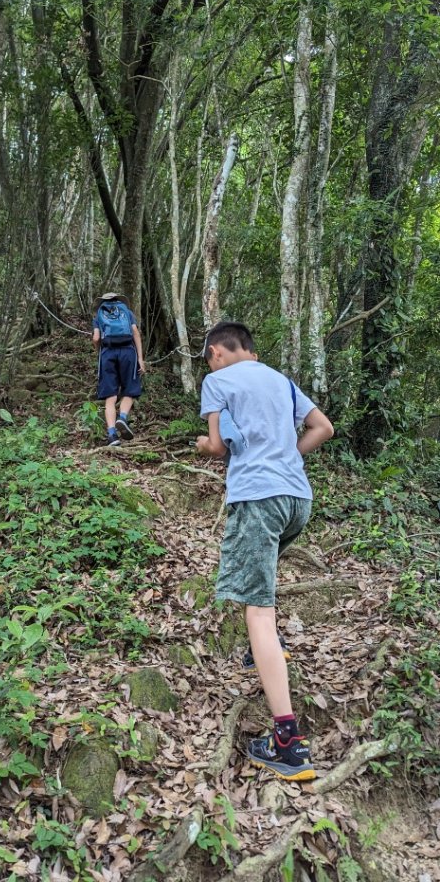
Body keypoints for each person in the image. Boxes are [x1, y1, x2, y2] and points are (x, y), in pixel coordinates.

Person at [196, 322, 334, 781]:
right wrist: (287, 457)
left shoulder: (218, 381)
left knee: (258, 611)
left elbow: (217, 447)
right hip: (298, 500)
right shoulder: (280, 380)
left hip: (257, 498)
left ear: (217, 352)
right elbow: (322, 428)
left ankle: (288, 743)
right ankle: (266, 651)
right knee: (264, 580)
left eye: (208, 356)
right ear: (251, 350)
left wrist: (203, 445)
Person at [92, 292, 145, 446]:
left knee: (110, 396)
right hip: (128, 352)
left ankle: (112, 435)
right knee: (130, 389)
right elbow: (135, 333)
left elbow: (96, 338)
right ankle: (122, 418)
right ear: (119, 300)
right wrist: (140, 359)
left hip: (108, 353)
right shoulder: (127, 312)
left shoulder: (98, 314)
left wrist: (99, 351)